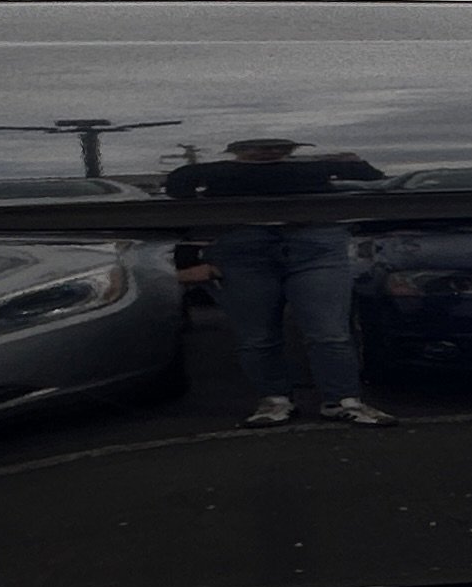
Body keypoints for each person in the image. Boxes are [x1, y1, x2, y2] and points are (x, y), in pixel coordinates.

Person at [164, 138, 391, 426]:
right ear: (237, 150)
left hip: (315, 248)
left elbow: (372, 178)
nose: (268, 151)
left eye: (278, 146)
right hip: (243, 252)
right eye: (258, 146)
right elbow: (178, 194)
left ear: (291, 150)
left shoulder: (314, 168)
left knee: (329, 331)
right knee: (257, 336)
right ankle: (274, 400)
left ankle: (344, 400)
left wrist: (351, 160)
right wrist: (194, 260)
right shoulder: (215, 171)